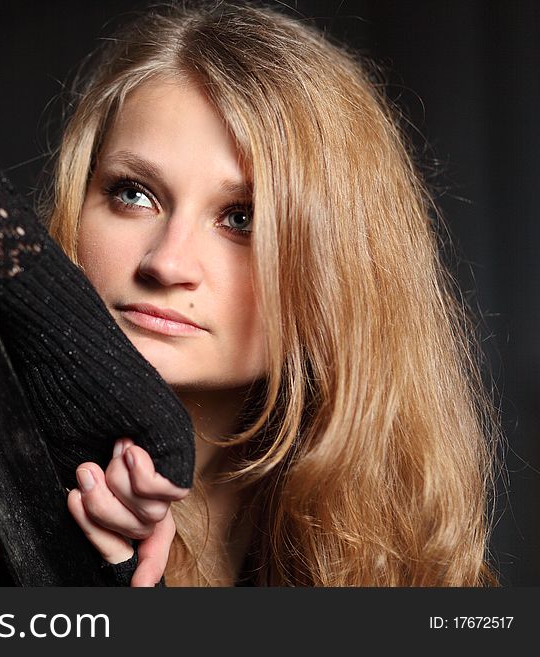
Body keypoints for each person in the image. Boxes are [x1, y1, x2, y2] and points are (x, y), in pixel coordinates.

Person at [29, 0, 500, 586]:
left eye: (243, 220)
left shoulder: (394, 569)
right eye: (133, 194)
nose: (166, 262)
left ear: (339, 271)